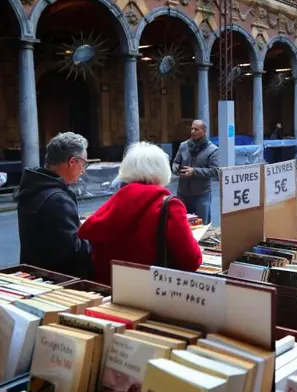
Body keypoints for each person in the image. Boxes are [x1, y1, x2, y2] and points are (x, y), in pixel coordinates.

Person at [79, 142, 202, 285]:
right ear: (162, 170)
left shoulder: (112, 203)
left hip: (109, 292)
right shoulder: (170, 206)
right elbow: (191, 260)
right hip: (150, 293)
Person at [16, 132, 92, 278]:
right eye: (84, 164)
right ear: (72, 161)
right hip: (58, 280)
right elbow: (73, 251)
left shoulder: (33, 186)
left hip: (34, 273)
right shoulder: (58, 199)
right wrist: (96, 238)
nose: (83, 170)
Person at [172, 120, 219, 225]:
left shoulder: (213, 150)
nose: (193, 131)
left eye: (196, 129)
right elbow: (175, 162)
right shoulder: (183, 146)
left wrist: (194, 172)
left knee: (202, 225)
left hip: (201, 194)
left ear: (204, 131)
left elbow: (215, 170)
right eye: (192, 129)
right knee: (182, 224)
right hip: (182, 193)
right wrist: (176, 169)